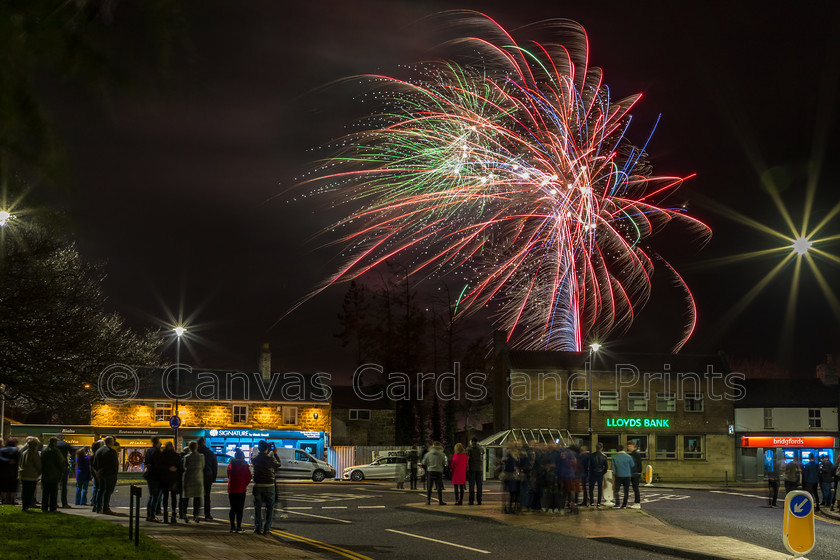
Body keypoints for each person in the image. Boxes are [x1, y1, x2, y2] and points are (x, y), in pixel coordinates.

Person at [251, 440, 281, 535]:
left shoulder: (255, 459)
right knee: (270, 508)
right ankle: (266, 528)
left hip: (258, 485)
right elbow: (279, 464)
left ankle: (258, 527)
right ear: (267, 449)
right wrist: (275, 453)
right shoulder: (270, 459)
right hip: (269, 485)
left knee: (258, 507)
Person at [92, 436, 119, 515]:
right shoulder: (111, 451)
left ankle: (98, 507)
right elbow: (115, 464)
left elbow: (94, 463)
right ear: (111, 442)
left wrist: (98, 471)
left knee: (100, 490)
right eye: (113, 441)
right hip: (110, 474)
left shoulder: (98, 451)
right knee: (108, 492)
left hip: (100, 473)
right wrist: (115, 473)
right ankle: (106, 508)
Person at [227, 448, 251, 533]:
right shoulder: (244, 466)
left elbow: (228, 475)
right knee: (240, 509)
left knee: (232, 508)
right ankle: (239, 527)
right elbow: (248, 477)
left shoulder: (230, 465)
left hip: (232, 488)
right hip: (241, 489)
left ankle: (232, 527)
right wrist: (244, 484)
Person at [181, 440, 205, 523]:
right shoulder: (201, 456)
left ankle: (184, 514)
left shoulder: (186, 457)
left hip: (188, 479)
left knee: (186, 498)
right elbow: (203, 466)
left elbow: (184, 467)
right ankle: (196, 515)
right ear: (196, 447)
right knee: (197, 499)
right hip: (198, 479)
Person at [160, 441, 182, 524]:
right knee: (173, 497)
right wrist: (175, 469)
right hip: (173, 479)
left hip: (165, 479)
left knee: (165, 497)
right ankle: (173, 515)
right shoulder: (176, 455)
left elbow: (160, 467)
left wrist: (167, 469)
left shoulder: (163, 455)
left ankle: (165, 516)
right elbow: (180, 468)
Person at [41, 438, 65, 513]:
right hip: (54, 474)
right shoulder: (56, 451)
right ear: (54, 443)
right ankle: (53, 508)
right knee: (53, 493)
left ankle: (44, 507)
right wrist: (62, 471)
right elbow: (61, 462)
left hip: (45, 474)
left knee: (45, 492)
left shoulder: (44, 450)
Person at [196, 437, 218, 521]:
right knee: (207, 496)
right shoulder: (210, 452)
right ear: (204, 442)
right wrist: (214, 478)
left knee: (197, 496)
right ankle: (207, 514)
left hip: (198, 475)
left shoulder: (196, 452)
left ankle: (196, 514)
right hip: (208, 476)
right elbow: (214, 466)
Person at [18, 437, 42, 511]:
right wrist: (39, 473)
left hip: (24, 474)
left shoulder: (24, 452)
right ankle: (27, 506)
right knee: (30, 492)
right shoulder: (34, 453)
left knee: (25, 491)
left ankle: (24, 506)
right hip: (32, 475)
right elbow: (38, 464)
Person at [144, 436, 163, 522]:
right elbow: (159, 465)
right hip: (156, 476)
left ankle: (149, 515)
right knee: (155, 497)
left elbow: (147, 463)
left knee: (152, 495)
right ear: (157, 442)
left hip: (150, 475)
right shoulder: (157, 451)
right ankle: (152, 515)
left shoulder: (148, 451)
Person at [422, 441, 446, 506]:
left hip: (430, 471)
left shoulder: (428, 454)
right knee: (439, 487)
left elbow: (424, 462)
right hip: (439, 471)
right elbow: (445, 463)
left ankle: (428, 500)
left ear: (432, 446)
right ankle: (440, 501)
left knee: (429, 486)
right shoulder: (442, 454)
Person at [611, 444, 634, 509]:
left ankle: (617, 504)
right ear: (623, 449)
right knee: (626, 491)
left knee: (616, 490)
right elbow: (632, 465)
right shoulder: (629, 457)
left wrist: (614, 474)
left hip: (618, 475)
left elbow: (613, 468)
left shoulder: (615, 457)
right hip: (627, 475)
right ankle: (624, 505)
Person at [0, 438, 20, 505]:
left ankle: (4, 500)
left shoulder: (2, 450)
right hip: (13, 471)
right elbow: (18, 460)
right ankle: (12, 500)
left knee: (4, 487)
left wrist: (7, 461)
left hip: (3, 471)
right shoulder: (16, 450)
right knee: (13, 487)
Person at [588, 442, 608, 508]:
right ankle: (599, 503)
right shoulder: (604, 456)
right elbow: (606, 466)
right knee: (600, 488)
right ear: (602, 448)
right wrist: (603, 472)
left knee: (591, 488)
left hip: (593, 473)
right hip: (600, 473)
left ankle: (591, 502)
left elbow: (589, 465)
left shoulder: (591, 455)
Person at [467, 438, 484, 505]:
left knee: (471, 485)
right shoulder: (480, 448)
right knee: (479, 485)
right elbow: (483, 452)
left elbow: (466, 452)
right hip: (479, 468)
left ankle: (471, 500)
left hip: (472, 468)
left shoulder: (469, 448)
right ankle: (479, 500)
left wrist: (469, 445)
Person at [56, 439, 72, 508]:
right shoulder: (66, 444)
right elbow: (72, 453)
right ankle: (64, 503)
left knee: (55, 486)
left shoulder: (55, 446)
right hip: (64, 465)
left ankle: (54, 502)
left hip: (55, 466)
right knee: (64, 486)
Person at [627, 441, 642, 509]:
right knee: (635, 488)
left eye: (629, 446)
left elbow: (639, 464)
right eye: (628, 446)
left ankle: (637, 503)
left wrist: (638, 472)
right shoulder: (633, 454)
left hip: (635, 473)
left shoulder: (635, 454)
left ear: (634, 446)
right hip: (634, 473)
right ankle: (636, 502)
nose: (628, 447)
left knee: (635, 488)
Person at [89, 440, 103, 512]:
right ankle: (97, 505)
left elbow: (91, 467)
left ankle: (94, 504)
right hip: (98, 474)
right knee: (99, 489)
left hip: (95, 474)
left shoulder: (92, 456)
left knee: (95, 488)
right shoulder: (97, 455)